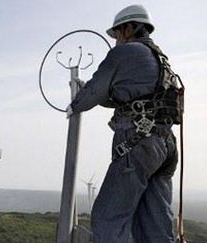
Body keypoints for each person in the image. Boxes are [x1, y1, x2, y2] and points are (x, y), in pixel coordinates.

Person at [67, 4, 181, 243]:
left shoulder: (124, 53)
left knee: (108, 216)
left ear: (130, 28)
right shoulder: (158, 58)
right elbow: (122, 97)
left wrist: (75, 103)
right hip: (166, 146)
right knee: (155, 223)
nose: (116, 39)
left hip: (138, 143)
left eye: (117, 33)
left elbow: (96, 90)